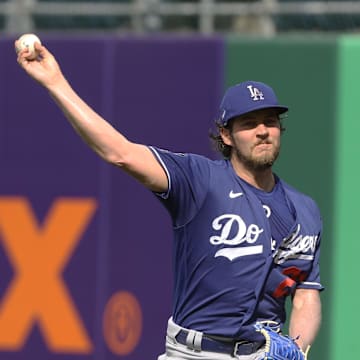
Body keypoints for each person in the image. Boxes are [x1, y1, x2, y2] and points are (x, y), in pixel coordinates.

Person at [16, 40, 323, 360]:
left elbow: (305, 294)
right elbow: (119, 153)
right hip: (194, 353)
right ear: (226, 136)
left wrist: (298, 349)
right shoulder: (199, 180)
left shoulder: (304, 210)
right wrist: (55, 82)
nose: (263, 131)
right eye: (248, 123)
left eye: (270, 121)